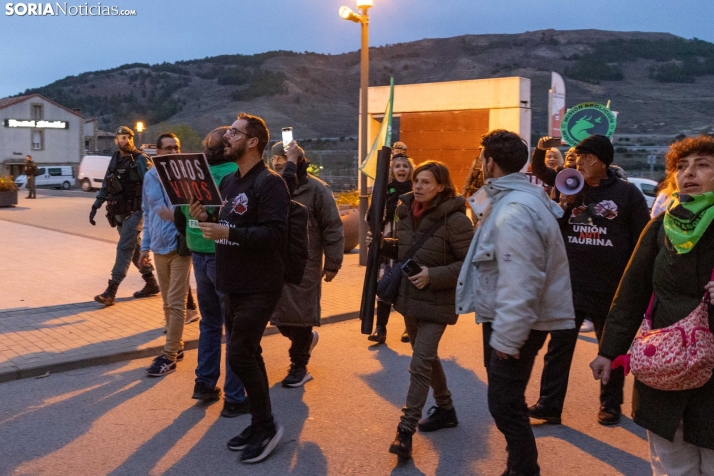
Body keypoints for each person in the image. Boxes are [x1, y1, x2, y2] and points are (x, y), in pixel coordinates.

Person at [591, 135, 714, 476]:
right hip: (665, 367)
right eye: (681, 166)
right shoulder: (661, 226)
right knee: (672, 465)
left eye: (702, 165)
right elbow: (631, 290)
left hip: (712, 372)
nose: (689, 172)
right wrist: (609, 350)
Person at [455, 130, 575, 476]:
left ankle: (523, 470)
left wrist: (508, 338)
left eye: (482, 159)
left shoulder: (516, 210)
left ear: (489, 162)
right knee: (507, 399)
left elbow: (521, 279)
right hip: (508, 317)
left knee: (505, 404)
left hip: (517, 321)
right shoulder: (513, 198)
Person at [528, 134, 650, 428]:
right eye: (578, 156)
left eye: (588, 158)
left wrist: (636, 284)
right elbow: (551, 231)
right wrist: (563, 204)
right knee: (559, 348)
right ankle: (549, 405)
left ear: (604, 163)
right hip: (571, 285)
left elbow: (642, 239)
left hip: (612, 288)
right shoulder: (569, 185)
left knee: (611, 348)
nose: (580, 162)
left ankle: (610, 405)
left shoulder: (627, 194)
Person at [190, 113, 288, 464]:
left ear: (252, 142)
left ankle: (268, 427)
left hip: (260, 285)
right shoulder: (230, 182)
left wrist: (228, 233)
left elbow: (275, 234)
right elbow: (227, 224)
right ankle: (260, 423)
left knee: (241, 354)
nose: (225, 137)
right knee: (248, 354)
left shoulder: (271, 183)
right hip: (232, 284)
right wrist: (206, 219)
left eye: (234, 132)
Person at [376, 161, 473, 460]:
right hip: (409, 300)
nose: (417, 186)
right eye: (417, 181)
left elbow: (470, 264)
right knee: (427, 359)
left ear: (441, 187)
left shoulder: (456, 220)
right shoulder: (405, 211)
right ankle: (446, 409)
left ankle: (405, 430)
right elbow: (409, 249)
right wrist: (386, 245)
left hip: (437, 303)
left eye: (426, 182)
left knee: (419, 365)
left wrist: (435, 274)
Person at [170, 127, 248, 416]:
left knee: (210, 322)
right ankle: (235, 395)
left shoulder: (194, 172)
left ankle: (203, 382)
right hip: (222, 253)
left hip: (198, 252)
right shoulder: (234, 172)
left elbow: (180, 214)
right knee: (235, 325)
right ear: (226, 146)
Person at [269, 142, 344, 387]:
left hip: (306, 265)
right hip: (276, 264)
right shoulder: (271, 188)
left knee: (301, 317)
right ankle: (306, 340)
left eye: (284, 164)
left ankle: (299, 366)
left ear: (298, 162)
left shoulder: (317, 190)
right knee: (279, 317)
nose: (279, 169)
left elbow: (332, 227)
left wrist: (333, 263)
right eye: (275, 165)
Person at [139, 133, 192, 377]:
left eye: (176, 148)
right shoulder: (150, 177)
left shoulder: (187, 175)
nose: (173, 153)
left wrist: (176, 216)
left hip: (181, 245)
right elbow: (150, 213)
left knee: (176, 301)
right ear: (157, 152)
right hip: (159, 246)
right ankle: (176, 345)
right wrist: (144, 247)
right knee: (166, 302)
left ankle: (169, 355)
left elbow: (190, 212)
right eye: (168, 149)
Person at [89, 126, 159, 306]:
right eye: (121, 138)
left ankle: (111, 290)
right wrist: (96, 204)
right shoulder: (115, 158)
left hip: (136, 211)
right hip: (118, 212)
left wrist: (153, 212)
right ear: (116, 140)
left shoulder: (141, 160)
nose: (125, 141)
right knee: (134, 249)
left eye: (128, 137)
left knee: (124, 248)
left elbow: (152, 186)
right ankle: (151, 283)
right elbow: (107, 182)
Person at [368, 151, 415, 344]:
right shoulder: (384, 191)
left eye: (405, 166)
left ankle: (410, 328)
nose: (401, 169)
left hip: (408, 244)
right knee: (384, 283)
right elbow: (371, 216)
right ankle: (381, 328)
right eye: (397, 166)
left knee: (409, 285)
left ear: (410, 170)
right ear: (391, 170)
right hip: (387, 243)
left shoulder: (415, 190)